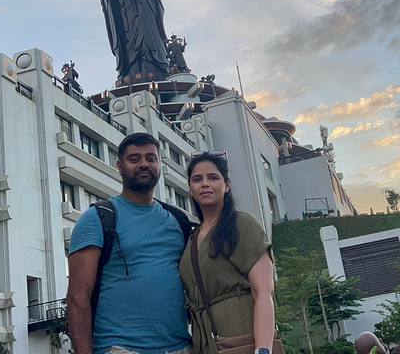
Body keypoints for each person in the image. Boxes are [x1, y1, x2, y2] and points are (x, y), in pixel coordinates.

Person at [67, 133, 192, 354]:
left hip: (181, 347)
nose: (144, 164)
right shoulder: (98, 218)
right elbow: (78, 298)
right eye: (134, 159)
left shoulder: (177, 220)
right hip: (121, 348)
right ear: (120, 165)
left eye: (151, 158)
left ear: (159, 164)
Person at [179, 152, 276, 354]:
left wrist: (263, 349)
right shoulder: (191, 238)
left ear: (227, 185)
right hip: (204, 342)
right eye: (197, 179)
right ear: (190, 188)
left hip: (242, 337)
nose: (204, 184)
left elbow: (264, 291)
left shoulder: (241, 224)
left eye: (213, 177)